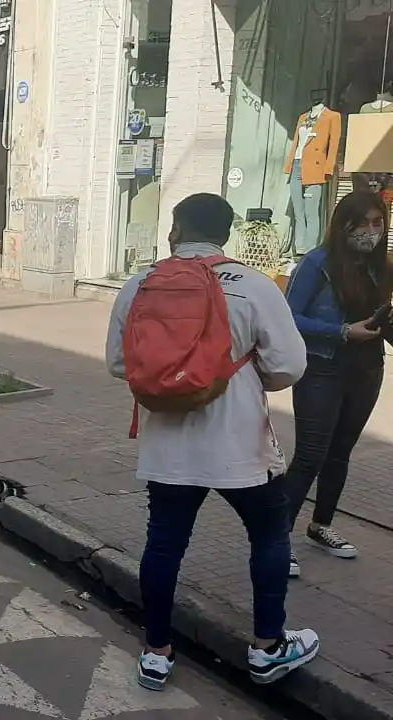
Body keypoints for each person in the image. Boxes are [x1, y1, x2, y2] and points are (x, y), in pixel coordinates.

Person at [106, 192, 317, 691]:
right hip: (240, 446)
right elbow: (290, 365)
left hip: (167, 451)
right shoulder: (255, 286)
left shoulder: (140, 284)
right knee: (268, 536)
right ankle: (268, 648)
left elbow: (119, 363)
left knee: (164, 546)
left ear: (176, 228)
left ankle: (157, 653)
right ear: (226, 232)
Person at [282, 191, 392, 573]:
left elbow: (380, 320)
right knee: (311, 454)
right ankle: (277, 540)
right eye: (362, 223)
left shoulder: (381, 266)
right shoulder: (317, 263)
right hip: (321, 368)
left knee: (340, 452)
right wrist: (342, 331)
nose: (370, 231)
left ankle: (321, 526)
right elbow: (288, 316)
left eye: (377, 223)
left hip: (367, 369)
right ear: (342, 223)